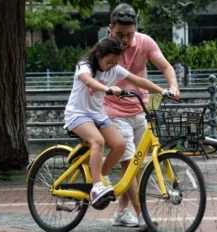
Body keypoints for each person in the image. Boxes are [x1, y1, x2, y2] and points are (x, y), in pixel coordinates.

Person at [63, 36, 167, 210]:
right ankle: (96, 187)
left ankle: (101, 175)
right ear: (98, 55)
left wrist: (163, 91)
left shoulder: (115, 69)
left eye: (115, 62)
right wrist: (108, 89)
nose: (111, 66)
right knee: (98, 141)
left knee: (120, 145)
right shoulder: (84, 66)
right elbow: (88, 81)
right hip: (78, 114)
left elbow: (139, 81)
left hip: (98, 114)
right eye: (109, 62)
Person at [103, 3, 180, 228]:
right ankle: (143, 215)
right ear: (110, 29)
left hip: (142, 110)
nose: (125, 40)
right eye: (119, 35)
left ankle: (121, 213)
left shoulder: (145, 42)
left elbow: (166, 67)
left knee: (135, 167)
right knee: (129, 166)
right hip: (114, 111)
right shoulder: (104, 47)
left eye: (129, 34)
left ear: (136, 29)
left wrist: (173, 86)